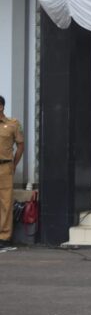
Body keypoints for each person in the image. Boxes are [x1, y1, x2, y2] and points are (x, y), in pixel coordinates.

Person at [0, 95, 24, 249]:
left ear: (1, 107)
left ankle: (4, 237)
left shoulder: (13, 124)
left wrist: (14, 165)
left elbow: (20, 145)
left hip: (5, 167)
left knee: (6, 203)